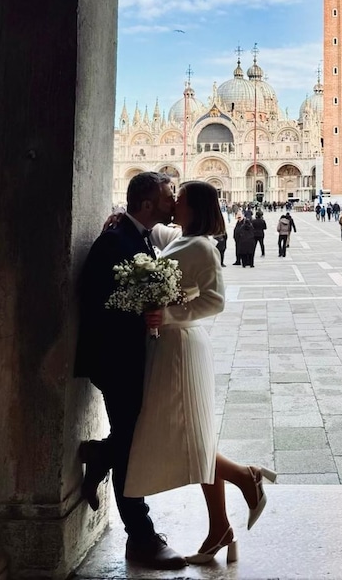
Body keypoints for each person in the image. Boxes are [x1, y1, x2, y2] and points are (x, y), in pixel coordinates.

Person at [123, 181, 275, 564]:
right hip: (167, 345)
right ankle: (220, 525)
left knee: (189, 436)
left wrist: (168, 313)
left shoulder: (203, 246)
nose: (174, 202)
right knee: (193, 434)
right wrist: (123, 219)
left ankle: (244, 478)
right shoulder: (178, 236)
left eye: (181, 198)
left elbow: (215, 300)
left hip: (181, 346)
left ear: (195, 207)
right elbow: (152, 228)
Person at [74, 172, 186, 568]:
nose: (174, 200)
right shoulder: (117, 241)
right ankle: (140, 536)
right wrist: (149, 311)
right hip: (115, 360)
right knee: (132, 445)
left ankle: (100, 454)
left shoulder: (132, 234)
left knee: (128, 438)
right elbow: (104, 305)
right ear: (147, 204)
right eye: (168, 195)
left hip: (126, 358)